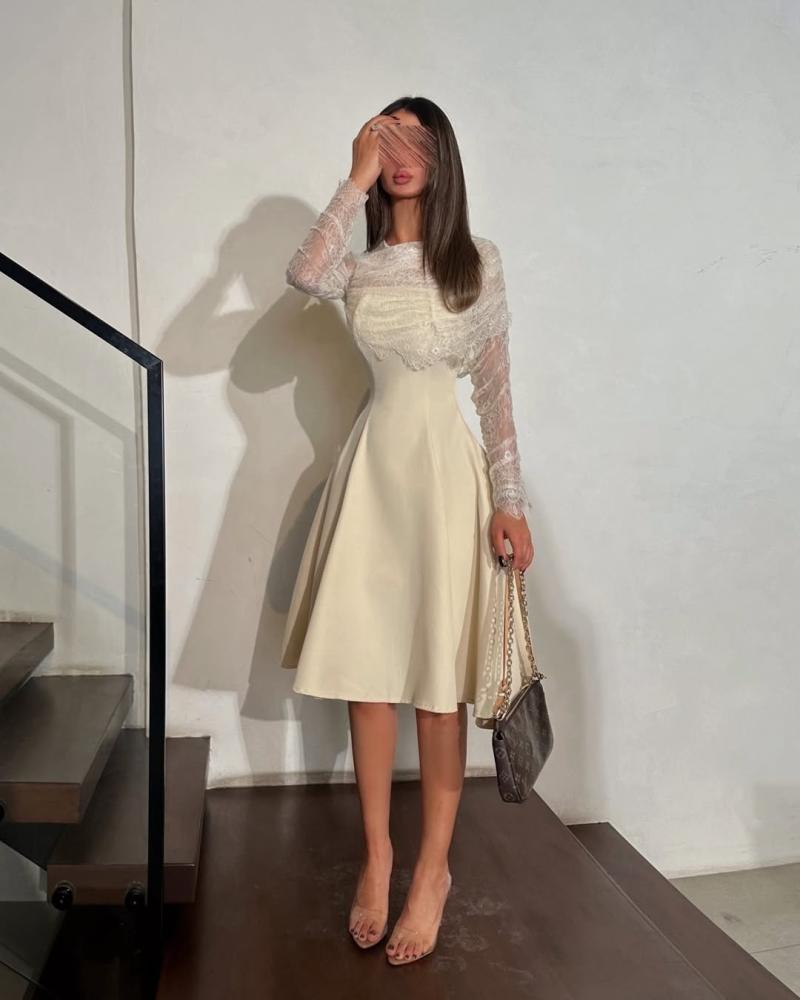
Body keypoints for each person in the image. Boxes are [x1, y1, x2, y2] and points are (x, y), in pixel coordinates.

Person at [280, 96, 534, 966]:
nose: (399, 151)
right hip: (372, 475)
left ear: (442, 155)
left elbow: (494, 392)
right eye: (384, 135)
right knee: (367, 676)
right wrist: (353, 177)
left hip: (444, 481)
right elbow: (304, 273)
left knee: (435, 684)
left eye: (416, 138)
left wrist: (510, 501)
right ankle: (379, 857)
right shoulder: (358, 267)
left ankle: (432, 871)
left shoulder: (477, 262)